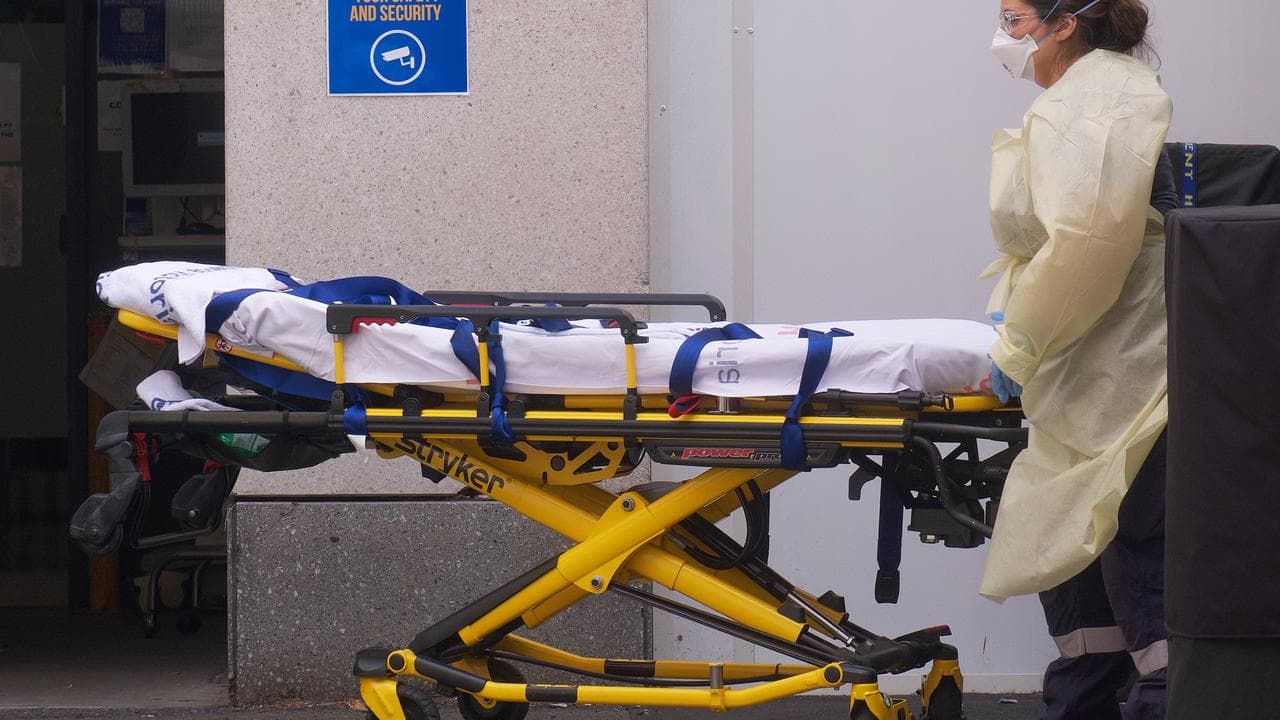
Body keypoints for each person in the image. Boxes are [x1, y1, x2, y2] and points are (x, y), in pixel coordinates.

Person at [980, 1, 1173, 718]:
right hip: (1092, 366)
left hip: (1118, 371)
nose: (1005, 37)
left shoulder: (1094, 105)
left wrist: (1023, 340)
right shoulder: (1090, 97)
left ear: (1066, 24)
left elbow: (1088, 244)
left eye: (1016, 17)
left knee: (1134, 562)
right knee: (1086, 576)